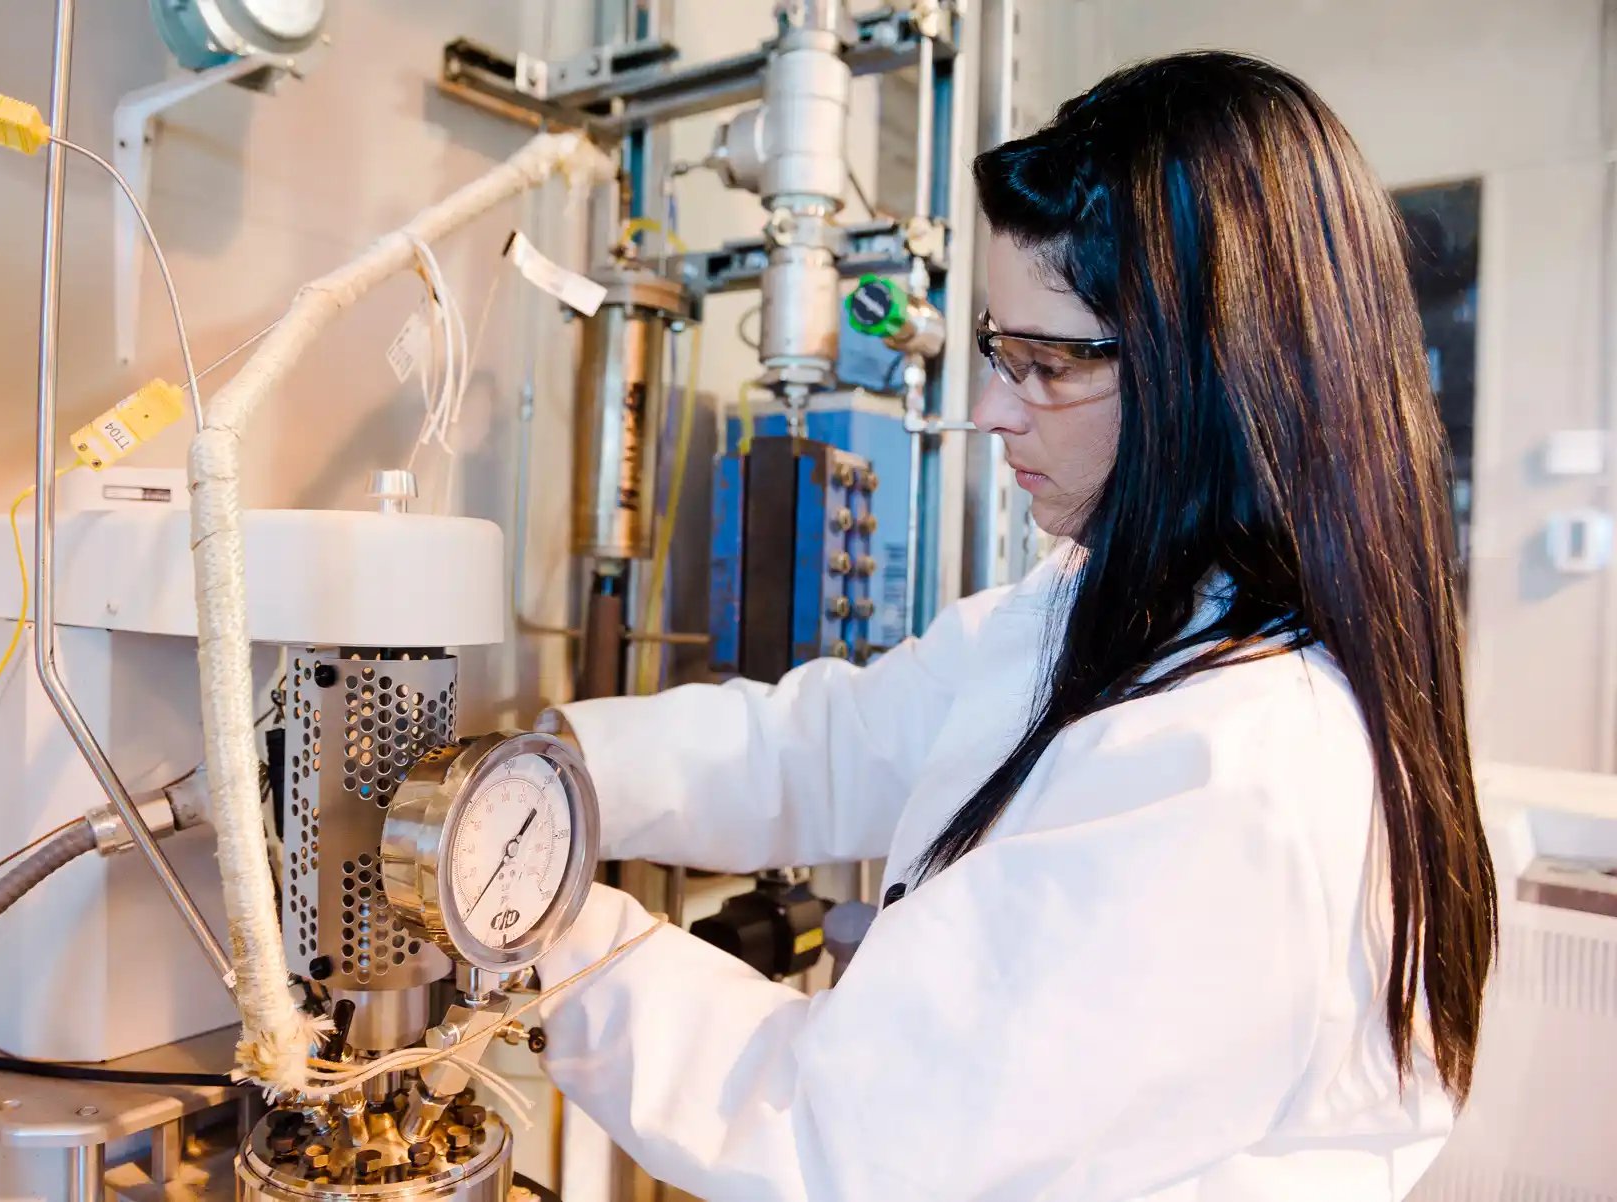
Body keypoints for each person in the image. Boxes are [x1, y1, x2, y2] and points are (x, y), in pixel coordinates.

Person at [531, 51, 1497, 1201]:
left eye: (1044, 364)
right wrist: (555, 770)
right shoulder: (1114, 608)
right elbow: (838, 740)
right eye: (997, 350)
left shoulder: (1236, 764)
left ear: (1218, 377)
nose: (989, 409)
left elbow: (837, 1138)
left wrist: (528, 928)